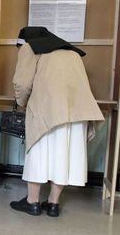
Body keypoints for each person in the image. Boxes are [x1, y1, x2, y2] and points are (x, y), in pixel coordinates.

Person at [10, 27, 104, 217]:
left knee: (37, 154)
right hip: (77, 113)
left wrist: (20, 102)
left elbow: (22, 83)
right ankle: (53, 204)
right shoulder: (71, 52)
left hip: (49, 110)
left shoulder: (30, 48)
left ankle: (32, 202)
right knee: (64, 156)